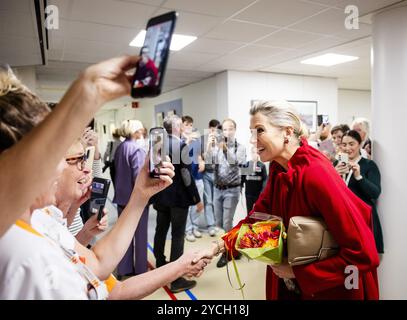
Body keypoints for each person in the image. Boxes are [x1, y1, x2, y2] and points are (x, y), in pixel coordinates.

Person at [0, 69, 211, 299]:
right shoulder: (28, 260)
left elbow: (99, 265)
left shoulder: (40, 219)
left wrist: (140, 194)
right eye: (54, 154)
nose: (60, 166)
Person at [205, 100, 380, 300]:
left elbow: (364, 254)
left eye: (259, 131)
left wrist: (297, 272)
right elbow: (257, 219)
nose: (253, 140)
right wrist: (218, 246)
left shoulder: (316, 173)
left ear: (287, 133)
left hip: (326, 289)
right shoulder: (279, 169)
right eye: (252, 133)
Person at [151, 114, 202, 293]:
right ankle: (176, 278)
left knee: (160, 231)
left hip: (161, 196)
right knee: (178, 235)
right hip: (179, 198)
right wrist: (196, 198)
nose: (182, 128)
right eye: (180, 125)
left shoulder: (157, 144)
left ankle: (159, 263)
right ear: (176, 128)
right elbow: (187, 177)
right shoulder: (181, 146)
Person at [334, 130, 384, 254]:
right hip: (342, 216)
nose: (347, 148)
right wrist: (333, 175)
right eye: (344, 144)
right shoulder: (336, 164)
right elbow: (326, 191)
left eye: (352, 144)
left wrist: (359, 177)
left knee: (365, 256)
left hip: (362, 216)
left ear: (360, 144)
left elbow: (375, 193)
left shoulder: (368, 165)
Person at [206, 118, 246, 268]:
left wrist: (224, 149)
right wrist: (209, 147)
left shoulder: (239, 147)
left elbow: (237, 162)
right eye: (224, 129)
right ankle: (234, 247)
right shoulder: (216, 146)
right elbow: (209, 165)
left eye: (230, 129)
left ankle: (226, 253)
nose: (227, 132)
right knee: (219, 223)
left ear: (234, 130)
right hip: (217, 189)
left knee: (227, 222)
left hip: (232, 190)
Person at [113, 119, 149, 278]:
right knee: (140, 238)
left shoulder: (120, 147)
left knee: (124, 236)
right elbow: (138, 178)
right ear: (137, 131)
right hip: (135, 201)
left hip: (121, 198)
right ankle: (141, 270)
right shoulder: (137, 150)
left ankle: (124, 269)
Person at [182, 116, 205, 242]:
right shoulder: (179, 140)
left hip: (197, 176)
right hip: (186, 178)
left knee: (197, 205)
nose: (189, 127)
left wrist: (202, 161)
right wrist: (187, 141)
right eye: (186, 125)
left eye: (191, 125)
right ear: (182, 126)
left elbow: (199, 154)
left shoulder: (196, 139)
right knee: (188, 204)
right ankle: (188, 230)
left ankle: (195, 227)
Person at [201, 119, 221, 237]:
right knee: (208, 200)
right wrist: (209, 145)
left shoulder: (221, 140)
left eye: (216, 129)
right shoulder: (204, 140)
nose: (214, 132)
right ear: (209, 128)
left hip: (218, 174)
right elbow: (203, 157)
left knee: (216, 200)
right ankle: (210, 226)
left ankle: (217, 223)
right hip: (207, 174)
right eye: (212, 129)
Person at [241, 149, 268, 214]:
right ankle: (249, 223)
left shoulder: (262, 165)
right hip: (248, 193)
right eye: (253, 152)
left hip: (258, 194)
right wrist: (240, 186)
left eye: (256, 153)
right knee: (249, 211)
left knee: (258, 212)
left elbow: (265, 179)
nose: (254, 154)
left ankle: (256, 223)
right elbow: (242, 177)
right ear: (251, 153)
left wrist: (263, 191)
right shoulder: (246, 164)